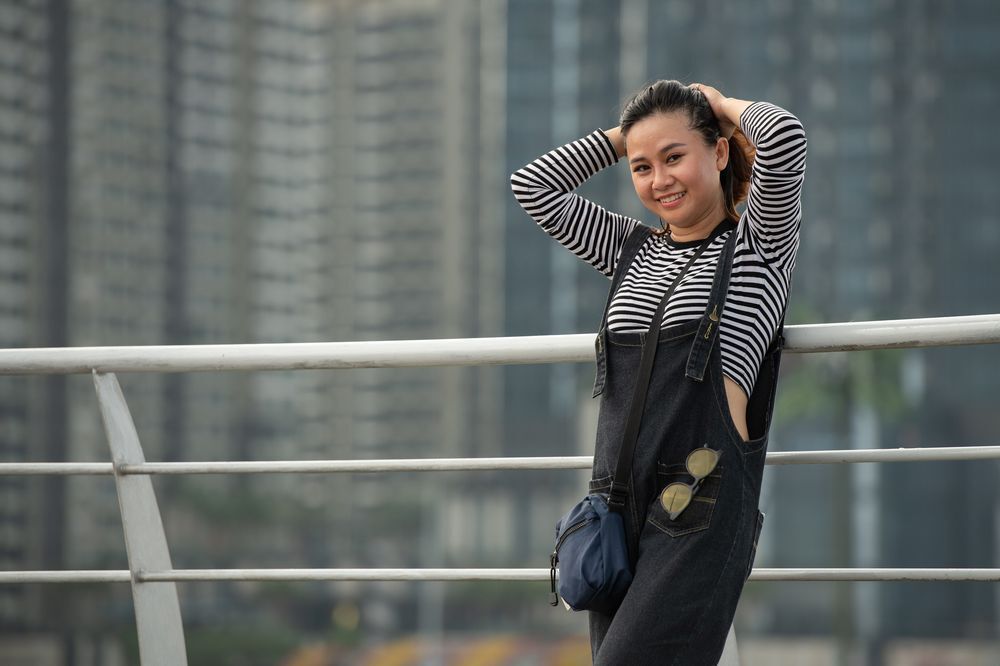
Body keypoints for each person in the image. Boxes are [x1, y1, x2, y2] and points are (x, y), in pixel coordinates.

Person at [510, 80, 806, 664]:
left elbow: (785, 138)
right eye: (643, 168)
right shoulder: (631, 249)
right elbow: (534, 187)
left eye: (675, 157)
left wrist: (718, 106)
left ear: (719, 154)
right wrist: (628, 135)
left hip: (699, 504)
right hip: (614, 511)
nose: (659, 180)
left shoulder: (756, 248)